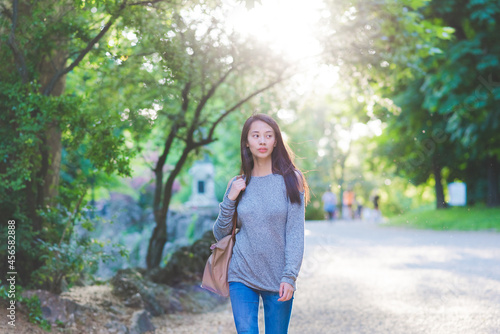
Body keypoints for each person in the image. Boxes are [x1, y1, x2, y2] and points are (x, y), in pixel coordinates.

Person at [213, 113, 309, 334]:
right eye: (256, 135)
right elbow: (220, 234)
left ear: (276, 141)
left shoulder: (292, 180)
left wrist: (290, 276)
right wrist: (230, 198)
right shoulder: (237, 183)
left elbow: (295, 233)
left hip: (278, 277)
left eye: (268, 135)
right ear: (247, 141)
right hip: (241, 273)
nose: (262, 141)